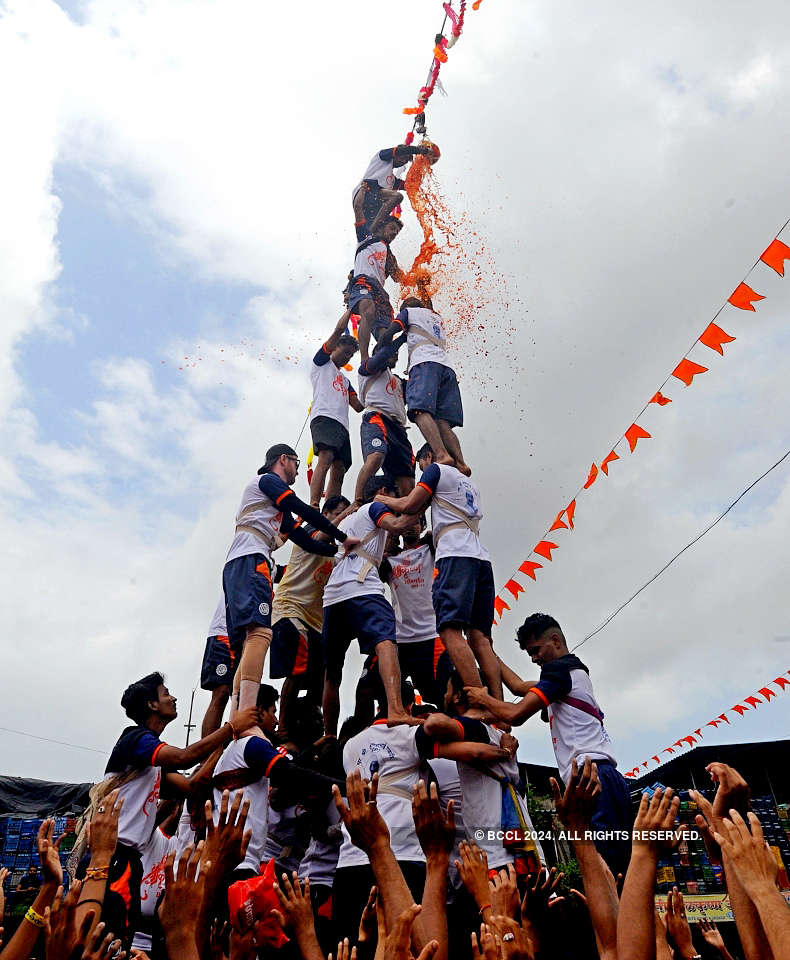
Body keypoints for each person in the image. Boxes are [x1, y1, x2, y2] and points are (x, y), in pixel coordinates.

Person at [332, 680, 515, 943]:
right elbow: (472, 752)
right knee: (414, 944)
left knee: (352, 946)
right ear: (407, 706)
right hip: (403, 856)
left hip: (350, 860)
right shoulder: (409, 737)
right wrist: (505, 750)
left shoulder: (350, 745)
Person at [465, 612, 632, 876]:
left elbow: (515, 714)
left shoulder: (559, 672)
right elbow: (519, 687)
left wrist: (482, 698)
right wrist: (488, 652)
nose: (534, 658)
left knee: (604, 871)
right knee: (619, 867)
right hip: (606, 777)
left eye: (536, 650)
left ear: (555, 640)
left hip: (590, 778)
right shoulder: (573, 673)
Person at [101, 672, 260, 941]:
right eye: (165, 694)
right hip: (115, 858)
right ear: (152, 705)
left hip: (127, 860)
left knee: (119, 939)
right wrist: (230, 728)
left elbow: (190, 787)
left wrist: (222, 748)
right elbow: (184, 758)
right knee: (109, 941)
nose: (172, 698)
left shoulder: (147, 767)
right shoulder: (135, 738)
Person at [222, 444, 358, 726]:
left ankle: (237, 717)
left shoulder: (275, 509)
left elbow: (307, 541)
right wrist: (342, 535)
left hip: (243, 561)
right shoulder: (266, 481)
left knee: (251, 640)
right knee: (260, 635)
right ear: (283, 460)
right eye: (296, 463)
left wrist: (339, 550)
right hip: (251, 559)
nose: (297, 468)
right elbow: (303, 511)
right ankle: (246, 717)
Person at [374, 443, 503, 700]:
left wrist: (383, 500)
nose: (422, 471)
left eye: (421, 464)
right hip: (479, 555)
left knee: (449, 630)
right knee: (479, 637)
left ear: (429, 456)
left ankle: (480, 700)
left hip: (455, 552)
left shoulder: (436, 470)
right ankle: (498, 706)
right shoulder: (470, 484)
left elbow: (411, 504)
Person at [320, 475, 419, 736]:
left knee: (332, 672)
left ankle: (329, 735)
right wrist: (423, 503)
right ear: (383, 492)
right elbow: (396, 525)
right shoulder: (374, 508)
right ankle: (397, 710)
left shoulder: (349, 519)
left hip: (333, 595)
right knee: (386, 641)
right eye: (395, 494)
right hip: (362, 587)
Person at [211, 685, 334, 885]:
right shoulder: (255, 746)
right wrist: (342, 786)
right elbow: (286, 780)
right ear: (259, 711)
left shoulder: (234, 750)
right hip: (254, 862)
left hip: (255, 861)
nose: (276, 720)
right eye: (273, 712)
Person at [271, 494, 349, 737]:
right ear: (325, 514)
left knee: (320, 678)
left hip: (317, 621)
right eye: (337, 513)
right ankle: (282, 727)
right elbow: (325, 535)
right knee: (297, 666)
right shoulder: (311, 530)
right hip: (289, 607)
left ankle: (310, 725)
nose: (343, 519)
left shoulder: (340, 549)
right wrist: (352, 511)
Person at [379, 295, 470, 475]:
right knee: (441, 421)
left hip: (424, 364)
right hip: (446, 367)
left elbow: (391, 331)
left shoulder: (408, 313)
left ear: (406, 307)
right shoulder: (435, 317)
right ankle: (461, 463)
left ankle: (442, 454)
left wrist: (382, 345)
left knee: (419, 410)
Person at [380, 518, 449, 708]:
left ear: (423, 525)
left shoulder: (431, 548)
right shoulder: (388, 560)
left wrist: (430, 536)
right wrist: (390, 540)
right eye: (406, 522)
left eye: (416, 522)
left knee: (440, 694)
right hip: (400, 638)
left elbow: (444, 535)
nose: (411, 526)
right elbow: (374, 568)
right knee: (381, 692)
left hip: (432, 634)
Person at [308, 311, 364, 507]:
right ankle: (314, 503)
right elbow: (339, 329)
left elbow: (358, 406)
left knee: (339, 468)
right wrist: (350, 309)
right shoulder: (321, 363)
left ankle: (331, 509)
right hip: (325, 416)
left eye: (350, 355)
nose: (347, 357)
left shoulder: (346, 380)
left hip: (342, 425)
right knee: (326, 457)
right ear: (335, 347)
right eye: (345, 352)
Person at [353, 332, 415, 506]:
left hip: (399, 429)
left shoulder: (399, 381)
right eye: (391, 352)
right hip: (377, 417)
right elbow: (384, 355)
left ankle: (406, 521)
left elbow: (419, 388)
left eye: (396, 354)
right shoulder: (368, 369)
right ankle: (358, 501)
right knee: (376, 455)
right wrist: (402, 337)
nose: (394, 355)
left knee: (407, 482)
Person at [352, 143, 438, 240]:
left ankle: (372, 236)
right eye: (403, 157)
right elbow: (400, 150)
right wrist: (420, 150)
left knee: (379, 237)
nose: (402, 161)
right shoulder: (381, 157)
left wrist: (421, 167)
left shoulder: (392, 181)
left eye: (405, 161)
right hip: (365, 192)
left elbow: (410, 186)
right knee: (397, 197)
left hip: (370, 209)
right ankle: (372, 231)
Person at [348, 217, 404, 362]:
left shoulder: (390, 256)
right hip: (363, 281)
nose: (394, 233)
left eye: (397, 233)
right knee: (368, 310)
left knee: (385, 332)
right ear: (382, 226)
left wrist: (418, 278)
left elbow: (400, 278)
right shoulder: (366, 237)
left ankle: (382, 360)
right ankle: (364, 358)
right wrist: (363, 192)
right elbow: (358, 207)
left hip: (380, 291)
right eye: (392, 228)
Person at [199, 597, 234, 737]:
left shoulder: (273, 575)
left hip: (246, 637)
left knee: (242, 695)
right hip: (225, 634)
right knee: (221, 692)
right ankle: (207, 755)